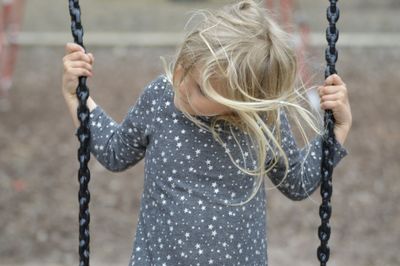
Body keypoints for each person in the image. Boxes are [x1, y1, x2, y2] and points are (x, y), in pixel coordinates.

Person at [62, 1, 352, 265]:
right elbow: (115, 153)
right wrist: (77, 96)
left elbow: (298, 181)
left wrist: (338, 129)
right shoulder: (162, 97)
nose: (181, 81)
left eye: (201, 88)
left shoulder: (263, 119)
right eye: (184, 63)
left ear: (239, 105)